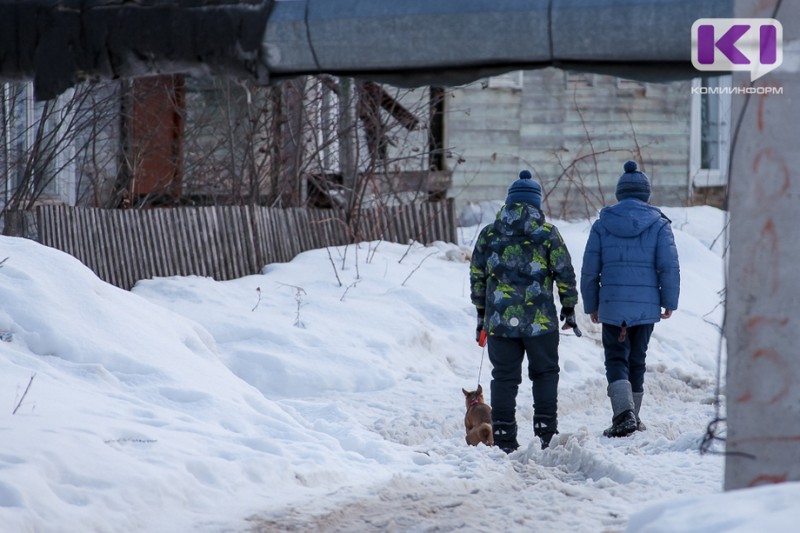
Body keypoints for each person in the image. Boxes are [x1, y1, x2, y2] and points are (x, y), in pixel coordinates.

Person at [470, 169, 579, 452]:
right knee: (544, 373)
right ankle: (546, 431)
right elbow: (565, 272)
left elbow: (477, 276)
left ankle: (504, 435)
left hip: (500, 323)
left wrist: (482, 314)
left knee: (504, 377)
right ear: (536, 204)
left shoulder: (489, 235)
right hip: (540, 323)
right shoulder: (547, 234)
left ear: (509, 202)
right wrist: (569, 307)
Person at [580, 160, 680, 437]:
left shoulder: (602, 224)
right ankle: (631, 415)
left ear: (619, 193)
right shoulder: (659, 224)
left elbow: (590, 269)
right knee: (637, 358)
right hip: (646, 306)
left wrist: (591, 303)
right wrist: (669, 301)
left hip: (612, 305)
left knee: (615, 358)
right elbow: (668, 266)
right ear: (646, 195)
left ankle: (625, 416)